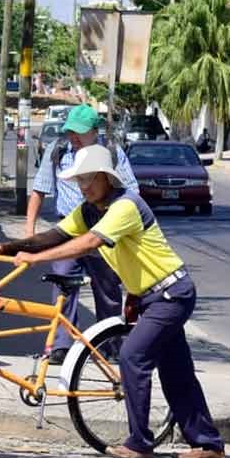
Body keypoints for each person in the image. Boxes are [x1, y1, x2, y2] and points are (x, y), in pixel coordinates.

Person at [0, 144, 225, 458]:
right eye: (79, 180)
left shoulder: (126, 206)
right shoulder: (88, 209)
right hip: (150, 297)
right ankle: (209, 444)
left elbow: (90, 242)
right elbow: (54, 236)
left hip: (170, 294)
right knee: (177, 372)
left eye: (89, 179)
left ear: (107, 177)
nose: (83, 186)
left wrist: (36, 259)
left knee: (133, 357)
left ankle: (140, 444)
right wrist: (3, 248)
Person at [28, 104, 137, 363]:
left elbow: (133, 191)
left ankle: (110, 345)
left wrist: (120, 224)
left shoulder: (112, 154)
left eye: (79, 133)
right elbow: (39, 190)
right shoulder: (58, 151)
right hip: (69, 228)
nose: (73, 138)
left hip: (103, 229)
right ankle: (61, 347)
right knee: (62, 281)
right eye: (70, 132)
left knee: (107, 289)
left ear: (94, 132)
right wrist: (29, 232)